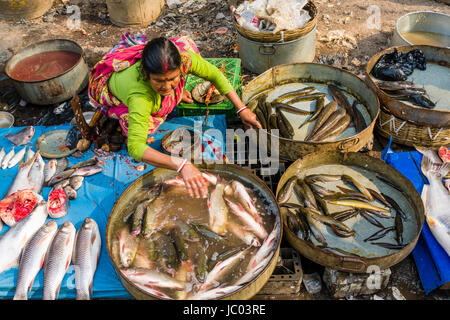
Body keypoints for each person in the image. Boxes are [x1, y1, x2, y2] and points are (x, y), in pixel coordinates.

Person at [88, 35, 261, 199]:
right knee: (149, 124)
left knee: (187, 45)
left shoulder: (184, 59)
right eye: (159, 81)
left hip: (145, 82)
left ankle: (173, 94)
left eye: (173, 79)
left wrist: (242, 109)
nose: (167, 86)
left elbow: (214, 74)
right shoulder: (140, 97)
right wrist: (182, 164)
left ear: (181, 68)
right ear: (146, 75)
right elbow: (135, 148)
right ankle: (121, 113)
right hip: (107, 90)